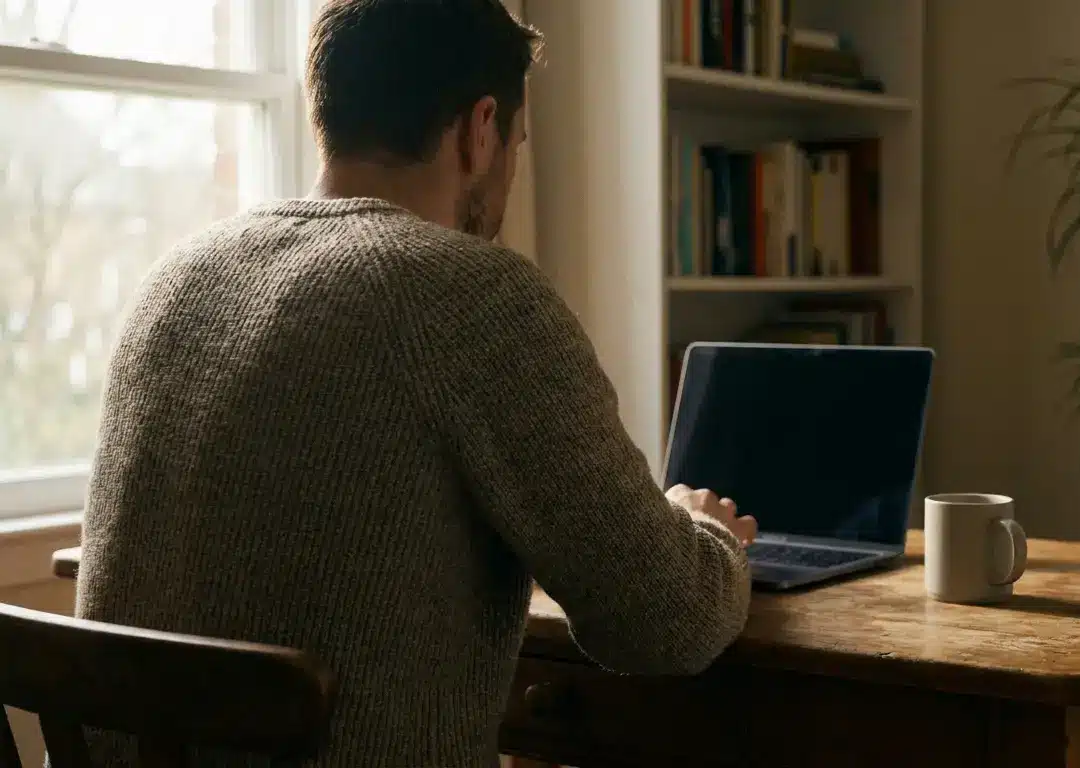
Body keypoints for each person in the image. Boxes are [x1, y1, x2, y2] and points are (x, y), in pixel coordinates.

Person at [75, 0, 756, 765]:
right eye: (518, 145)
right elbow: (666, 620)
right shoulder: (474, 298)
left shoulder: (173, 282)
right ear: (482, 128)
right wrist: (704, 534)